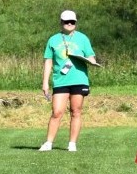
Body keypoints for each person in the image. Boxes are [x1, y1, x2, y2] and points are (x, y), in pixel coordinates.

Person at [39, 9, 98, 152]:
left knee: (76, 111)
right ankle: (48, 143)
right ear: (61, 22)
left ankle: (72, 144)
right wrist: (45, 82)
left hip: (79, 79)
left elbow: (91, 56)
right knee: (57, 112)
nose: (70, 24)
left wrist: (91, 61)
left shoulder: (83, 38)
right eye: (67, 22)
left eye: (72, 22)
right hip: (61, 81)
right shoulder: (53, 40)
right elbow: (48, 61)